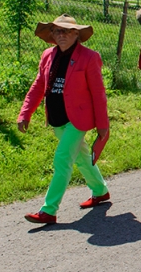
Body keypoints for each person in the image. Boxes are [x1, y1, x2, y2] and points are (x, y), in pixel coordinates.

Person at [18, 15, 110, 225]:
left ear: (76, 34)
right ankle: (100, 190)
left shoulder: (89, 57)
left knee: (62, 159)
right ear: (52, 34)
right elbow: (38, 86)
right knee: (81, 157)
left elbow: (98, 93)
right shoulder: (47, 55)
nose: (62, 35)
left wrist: (103, 125)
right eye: (58, 31)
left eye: (67, 31)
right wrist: (25, 113)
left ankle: (48, 210)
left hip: (78, 119)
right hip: (56, 118)